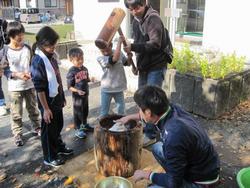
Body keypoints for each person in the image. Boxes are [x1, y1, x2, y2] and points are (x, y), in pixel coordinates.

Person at [117, 86, 220, 188]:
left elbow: (173, 183)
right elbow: (149, 114)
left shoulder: (173, 136)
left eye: (139, 109)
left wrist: (147, 175)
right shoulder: (172, 109)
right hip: (206, 165)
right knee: (157, 148)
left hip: (202, 182)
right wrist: (130, 117)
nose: (139, 111)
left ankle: (177, 179)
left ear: (148, 113)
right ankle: (174, 176)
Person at [123, 0, 171, 144]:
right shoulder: (136, 21)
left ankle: (150, 135)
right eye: (131, 9)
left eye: (136, 7)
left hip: (156, 65)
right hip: (145, 66)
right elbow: (139, 44)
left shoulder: (153, 19)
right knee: (142, 99)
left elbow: (155, 44)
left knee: (151, 101)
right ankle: (146, 127)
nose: (134, 11)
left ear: (144, 3)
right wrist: (134, 60)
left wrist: (133, 47)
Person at [31, 26, 73, 167]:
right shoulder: (38, 61)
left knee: (57, 126)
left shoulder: (51, 56)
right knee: (48, 131)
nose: (53, 47)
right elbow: (40, 88)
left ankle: (59, 148)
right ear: (42, 44)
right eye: (50, 45)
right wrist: (46, 109)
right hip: (47, 102)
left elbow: (57, 78)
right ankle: (49, 157)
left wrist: (62, 97)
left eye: (54, 44)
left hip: (56, 99)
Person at [0, 21, 41, 146]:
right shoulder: (5, 51)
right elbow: (5, 70)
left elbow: (32, 64)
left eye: (22, 34)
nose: (22, 37)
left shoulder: (27, 47)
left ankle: (37, 127)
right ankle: (17, 133)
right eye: (19, 35)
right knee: (16, 112)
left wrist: (32, 74)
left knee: (33, 108)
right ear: (11, 35)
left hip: (29, 85)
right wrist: (17, 75)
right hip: (14, 88)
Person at [97, 37, 128, 118]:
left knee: (121, 111)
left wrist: (130, 57)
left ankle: (121, 126)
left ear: (111, 46)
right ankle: (102, 128)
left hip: (118, 88)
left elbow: (127, 63)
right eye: (102, 51)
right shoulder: (101, 59)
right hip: (106, 89)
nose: (105, 52)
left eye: (107, 50)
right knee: (104, 112)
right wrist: (119, 43)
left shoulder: (119, 52)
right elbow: (114, 59)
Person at [66, 47, 93, 139]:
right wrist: (77, 91)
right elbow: (69, 87)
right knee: (78, 113)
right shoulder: (72, 71)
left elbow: (87, 79)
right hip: (77, 97)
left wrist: (91, 79)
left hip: (85, 95)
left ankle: (84, 125)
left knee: (85, 111)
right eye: (78, 60)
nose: (80, 61)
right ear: (71, 60)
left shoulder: (85, 68)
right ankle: (78, 129)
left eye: (82, 59)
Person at [0, 18, 9, 116]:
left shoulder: (3, 23)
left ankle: (19, 98)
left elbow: (8, 39)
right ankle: (1, 104)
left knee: (13, 79)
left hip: (6, 57)